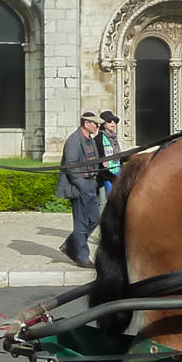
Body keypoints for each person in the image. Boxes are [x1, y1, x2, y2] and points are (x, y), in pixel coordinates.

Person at [58, 111, 102, 266]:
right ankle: (82, 257)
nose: (97, 126)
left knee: (95, 218)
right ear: (86, 123)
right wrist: (82, 185)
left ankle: (70, 245)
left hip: (91, 183)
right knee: (81, 222)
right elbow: (71, 165)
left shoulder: (90, 140)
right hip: (80, 186)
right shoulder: (74, 140)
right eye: (95, 123)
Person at [96, 111, 124, 197]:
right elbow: (100, 162)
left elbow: (118, 157)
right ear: (103, 124)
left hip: (117, 174)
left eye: (114, 121)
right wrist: (112, 178)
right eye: (109, 121)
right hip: (106, 178)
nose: (113, 123)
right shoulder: (98, 139)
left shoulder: (114, 138)